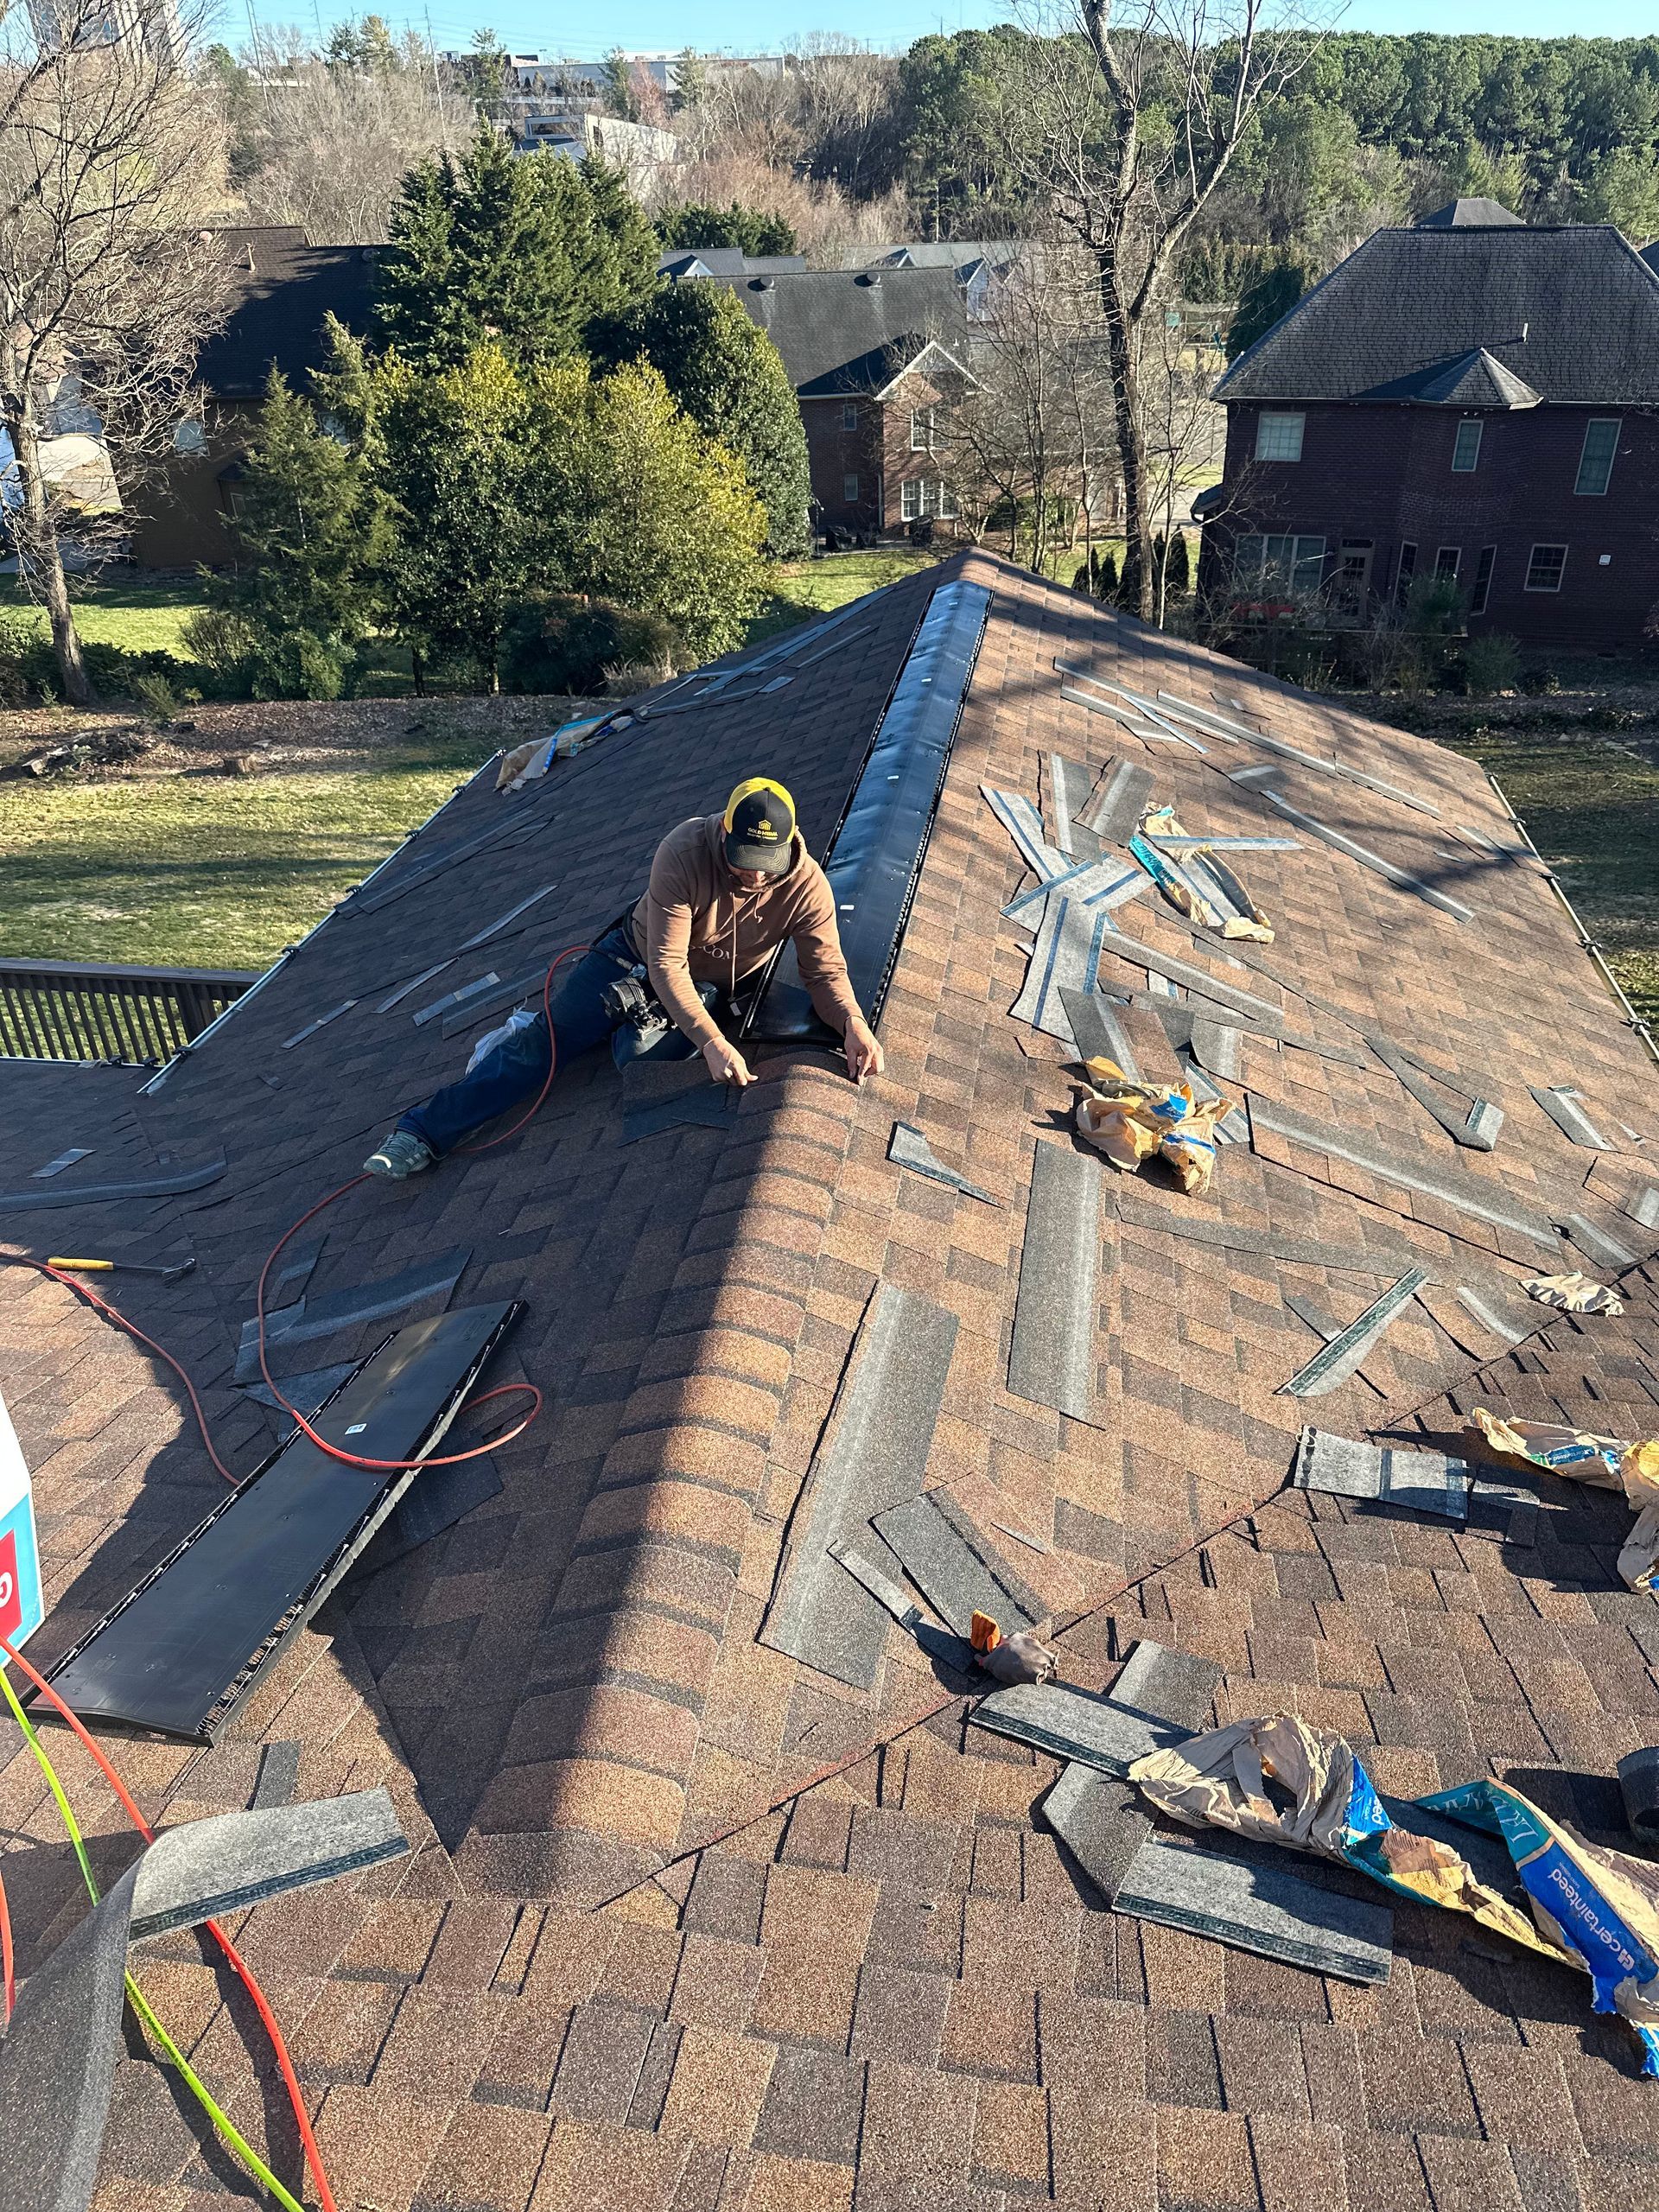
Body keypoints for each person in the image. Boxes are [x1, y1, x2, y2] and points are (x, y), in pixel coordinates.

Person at [365, 777, 885, 1178]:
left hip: (714, 985)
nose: (754, 875)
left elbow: (825, 972)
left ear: (791, 842)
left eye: (766, 864)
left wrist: (853, 1025)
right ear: (724, 832)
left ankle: (631, 1030)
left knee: (631, 1059)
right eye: (745, 861)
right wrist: (710, 1040)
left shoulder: (806, 886)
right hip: (634, 959)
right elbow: (666, 964)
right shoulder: (685, 852)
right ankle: (422, 1133)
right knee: (549, 1041)